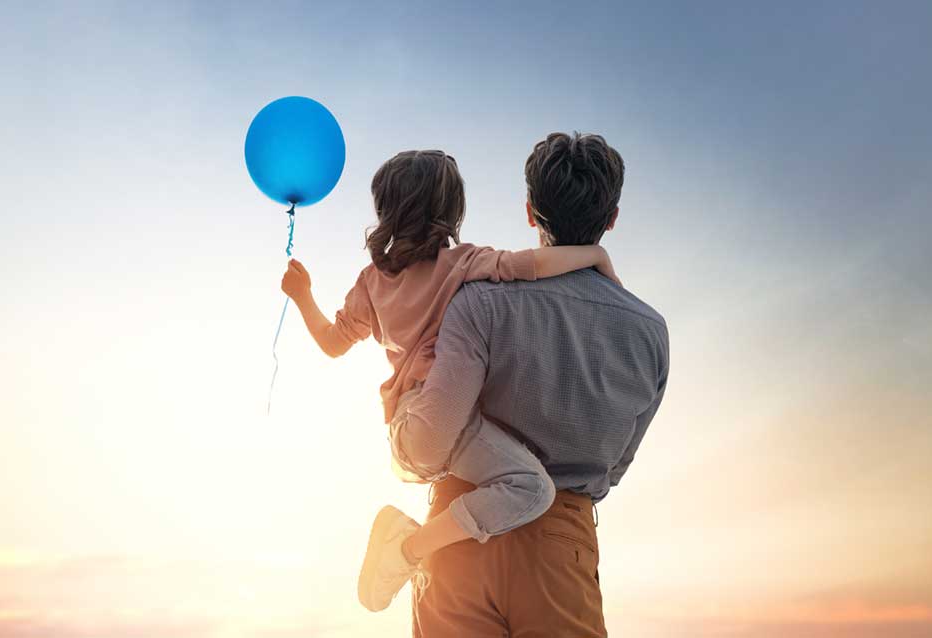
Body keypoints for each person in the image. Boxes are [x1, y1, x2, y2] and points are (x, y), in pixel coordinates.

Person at [279, 149, 622, 612]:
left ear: (387, 210)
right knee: (532, 488)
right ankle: (404, 550)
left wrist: (303, 297)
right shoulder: (465, 264)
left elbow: (333, 343)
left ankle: (420, 546)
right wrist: (595, 256)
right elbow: (532, 266)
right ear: (453, 210)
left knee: (504, 479)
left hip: (407, 426)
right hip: (440, 423)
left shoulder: (371, 282)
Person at [391, 132, 669, 637]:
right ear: (611, 219)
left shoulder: (478, 301)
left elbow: (433, 444)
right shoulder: (650, 332)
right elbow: (617, 465)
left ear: (528, 211)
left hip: (455, 539)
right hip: (562, 540)